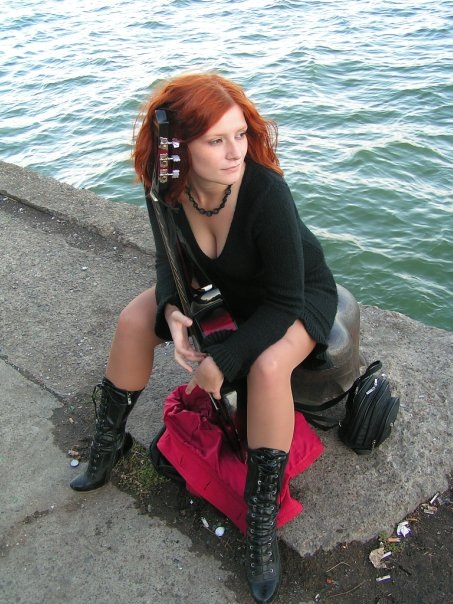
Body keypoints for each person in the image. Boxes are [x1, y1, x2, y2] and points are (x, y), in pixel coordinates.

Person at [70, 73, 338, 604]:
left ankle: (260, 520)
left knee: (266, 368)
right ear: (179, 146)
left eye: (240, 134)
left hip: (293, 298)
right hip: (223, 291)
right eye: (217, 141)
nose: (236, 151)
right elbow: (167, 263)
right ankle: (109, 442)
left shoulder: (265, 192)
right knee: (134, 320)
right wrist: (172, 310)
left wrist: (225, 360)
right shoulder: (164, 184)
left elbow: (285, 302)